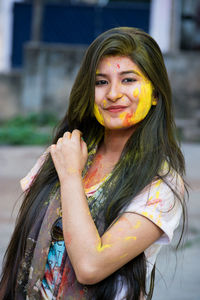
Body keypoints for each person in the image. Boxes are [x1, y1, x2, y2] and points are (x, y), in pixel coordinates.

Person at [0, 27, 187, 300]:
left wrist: (71, 177)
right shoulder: (66, 152)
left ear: (156, 94)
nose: (113, 94)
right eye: (101, 82)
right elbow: (18, 257)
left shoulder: (162, 185)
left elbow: (90, 266)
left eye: (128, 80)